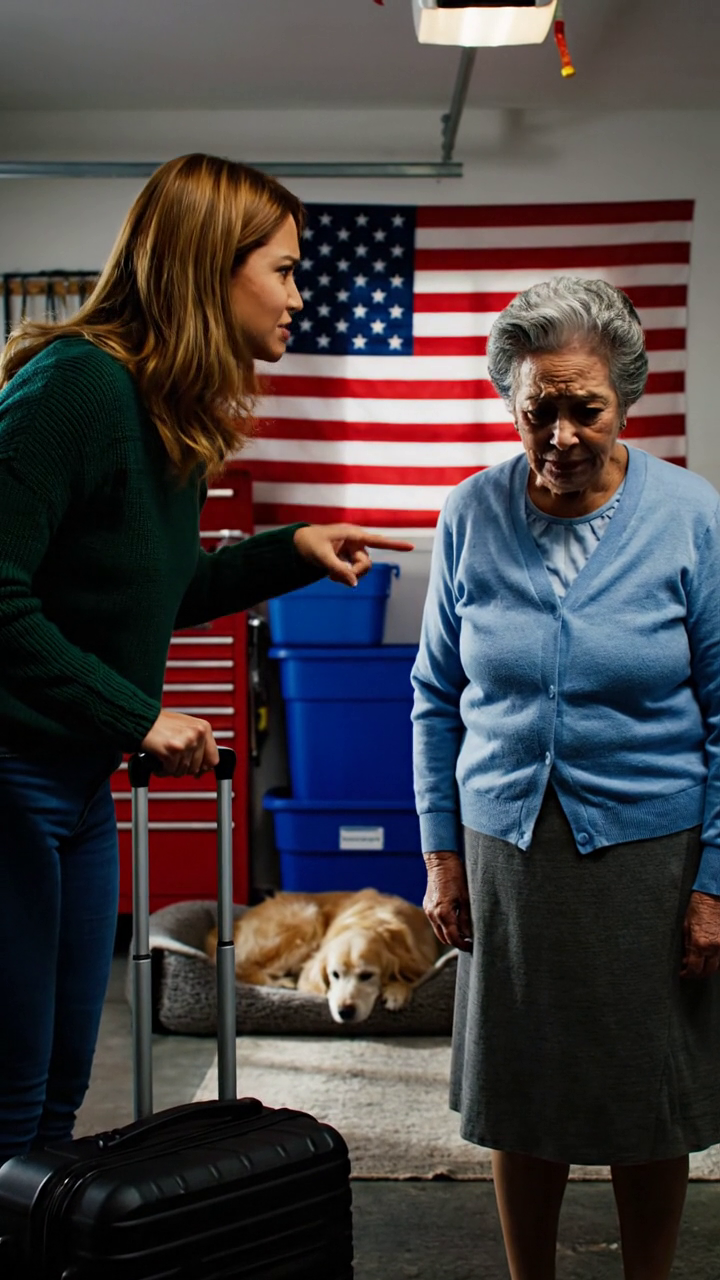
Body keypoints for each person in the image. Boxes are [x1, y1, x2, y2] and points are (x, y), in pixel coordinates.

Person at [0, 153, 412, 1165]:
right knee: (11, 1078)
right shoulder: (75, 387)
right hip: (10, 776)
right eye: (283, 269)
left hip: (77, 783)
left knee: (60, 1072)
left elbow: (162, 592)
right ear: (206, 270)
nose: (297, 294)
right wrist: (139, 716)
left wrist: (292, 547)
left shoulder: (161, 413)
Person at [411, 276, 720, 1280]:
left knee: (649, 1087)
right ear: (512, 401)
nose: (560, 432)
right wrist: (442, 854)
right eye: (536, 407)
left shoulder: (692, 518)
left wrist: (713, 879)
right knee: (521, 1083)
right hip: (507, 848)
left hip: (649, 852)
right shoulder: (469, 513)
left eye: (583, 406)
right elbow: (433, 695)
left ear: (625, 396)